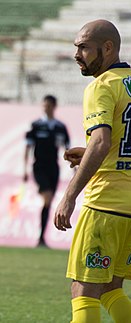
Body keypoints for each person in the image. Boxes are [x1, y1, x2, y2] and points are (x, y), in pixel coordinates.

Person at [54, 19, 131, 323]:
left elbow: (101, 142)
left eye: (84, 47)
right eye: (77, 47)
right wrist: (88, 152)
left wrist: (69, 196)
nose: (77, 54)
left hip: (106, 204)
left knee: (84, 290)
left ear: (108, 47)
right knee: (112, 289)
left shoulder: (101, 86)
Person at [24, 94, 70, 246]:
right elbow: (28, 147)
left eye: (49, 105)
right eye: (44, 105)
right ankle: (41, 237)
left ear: (54, 107)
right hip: (39, 167)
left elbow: (68, 148)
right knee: (48, 197)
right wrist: (24, 169)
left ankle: (41, 237)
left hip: (53, 167)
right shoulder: (36, 125)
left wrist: (75, 167)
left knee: (48, 203)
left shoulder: (60, 127)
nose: (46, 108)